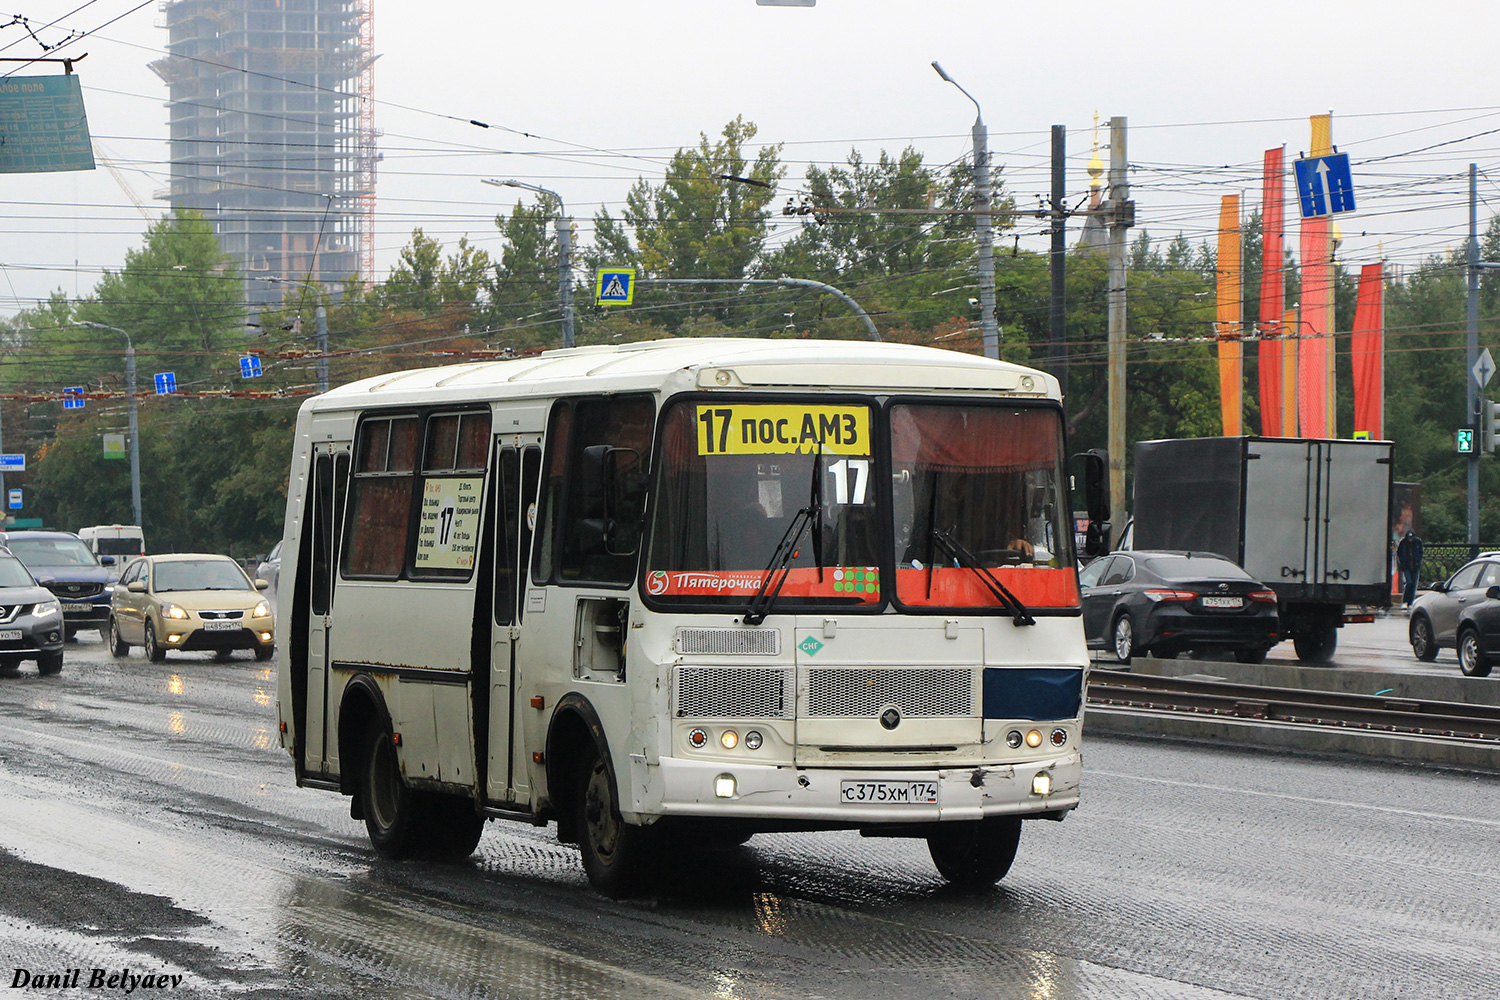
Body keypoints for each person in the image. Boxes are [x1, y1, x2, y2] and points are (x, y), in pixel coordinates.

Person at [1396, 530, 1423, 606]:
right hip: (1406, 566)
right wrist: (1402, 563)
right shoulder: (1403, 543)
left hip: (1415, 566)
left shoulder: (1418, 542)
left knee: (1414, 584)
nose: (1410, 539)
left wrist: (1418, 562)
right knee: (1409, 582)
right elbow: (1400, 553)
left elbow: (1420, 553)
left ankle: (1410, 601)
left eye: (1411, 538)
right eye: (1409, 538)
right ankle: (1405, 599)